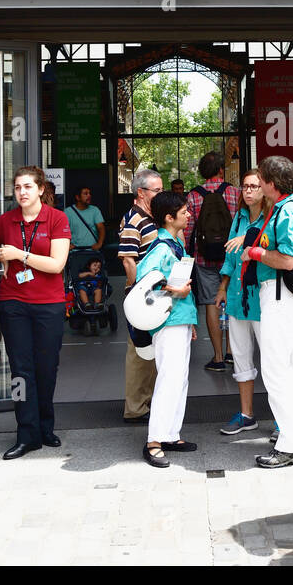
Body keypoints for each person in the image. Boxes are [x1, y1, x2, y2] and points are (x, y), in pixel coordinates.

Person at [0, 166, 71, 459]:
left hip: (49, 305)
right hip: (13, 303)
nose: (22, 192)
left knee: (46, 369)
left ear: (41, 189)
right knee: (20, 371)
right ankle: (25, 432)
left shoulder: (57, 219)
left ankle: (46, 427)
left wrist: (20, 255)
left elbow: (57, 265)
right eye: (18, 187)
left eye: (28, 187)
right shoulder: (6, 221)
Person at [244, 155, 293, 468]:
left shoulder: (287, 210)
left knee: (276, 370)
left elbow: (289, 259)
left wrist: (258, 253)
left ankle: (291, 444)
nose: (258, 184)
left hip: (281, 295)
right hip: (289, 296)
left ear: (271, 184)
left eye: (260, 179)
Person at [137, 191, 198, 468]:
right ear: (168, 217)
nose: (188, 214)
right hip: (168, 321)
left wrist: (190, 321)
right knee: (169, 380)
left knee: (179, 379)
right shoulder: (161, 247)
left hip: (179, 320)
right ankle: (154, 441)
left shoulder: (174, 244)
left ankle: (170, 434)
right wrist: (173, 289)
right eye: (183, 211)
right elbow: (144, 280)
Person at [215, 169, 267, 435]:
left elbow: (273, 251)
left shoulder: (272, 216)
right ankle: (247, 414)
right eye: (245, 186)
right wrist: (222, 287)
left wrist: (247, 239)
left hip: (263, 299)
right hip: (236, 298)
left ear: (265, 189)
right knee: (241, 359)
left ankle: (284, 422)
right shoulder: (239, 217)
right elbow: (230, 258)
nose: (248, 191)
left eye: (254, 186)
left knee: (272, 361)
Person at [182, 151, 239, 373]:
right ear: (221, 170)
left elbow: (187, 230)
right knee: (232, 301)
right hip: (231, 256)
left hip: (204, 257)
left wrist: (185, 253)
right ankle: (232, 353)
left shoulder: (193, 196)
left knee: (210, 304)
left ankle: (217, 358)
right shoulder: (235, 192)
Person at [119, 169, 163, 423]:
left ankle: (147, 402)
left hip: (153, 295)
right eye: (157, 190)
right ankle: (135, 408)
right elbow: (128, 259)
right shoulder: (134, 219)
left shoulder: (150, 216)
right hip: (141, 296)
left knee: (150, 353)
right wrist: (138, 289)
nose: (161, 194)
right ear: (141, 192)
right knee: (139, 354)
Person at [66, 185, 106, 250]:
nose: (89, 196)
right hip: (75, 251)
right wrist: (67, 244)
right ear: (77, 197)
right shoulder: (68, 212)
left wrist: (99, 243)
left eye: (89, 193)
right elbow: (63, 231)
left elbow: (101, 228)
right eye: (85, 194)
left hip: (92, 250)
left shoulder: (95, 210)